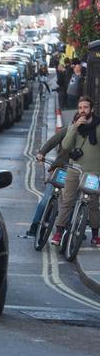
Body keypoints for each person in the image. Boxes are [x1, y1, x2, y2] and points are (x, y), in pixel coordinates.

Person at [52, 96, 100, 247]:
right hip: (74, 170)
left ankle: (95, 235)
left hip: (93, 172)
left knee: (92, 204)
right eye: (80, 108)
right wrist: (74, 127)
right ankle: (59, 233)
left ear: (91, 110)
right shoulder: (75, 126)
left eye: (85, 107)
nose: (82, 111)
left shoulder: (98, 126)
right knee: (67, 202)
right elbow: (66, 146)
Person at [29, 124, 71, 237]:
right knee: (46, 199)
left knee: (71, 201)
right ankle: (35, 225)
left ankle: (71, 227)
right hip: (61, 169)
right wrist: (41, 153)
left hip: (77, 172)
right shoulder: (68, 130)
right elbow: (52, 141)